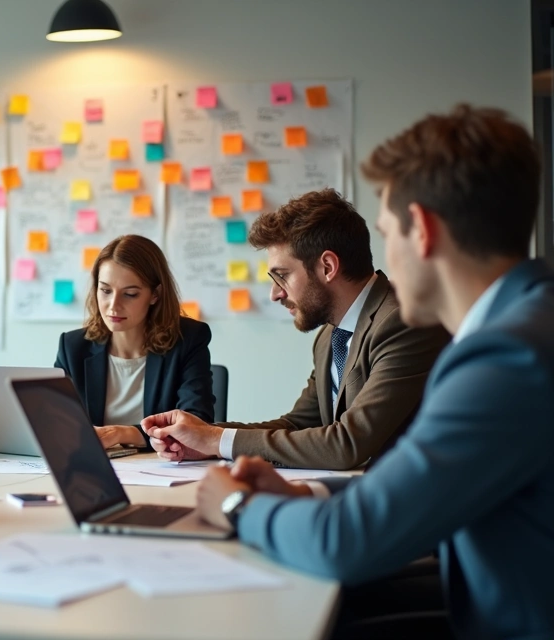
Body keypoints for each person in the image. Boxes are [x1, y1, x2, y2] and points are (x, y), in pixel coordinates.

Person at [193, 105, 554, 639]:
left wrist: (235, 505)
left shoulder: (507, 358)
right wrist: (309, 495)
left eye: (387, 232)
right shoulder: (525, 324)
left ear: (424, 232)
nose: (383, 259)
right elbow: (422, 482)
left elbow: (348, 542)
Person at [145, 189, 449, 470]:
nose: (275, 294)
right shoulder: (331, 336)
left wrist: (215, 440)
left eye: (282, 276)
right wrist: (203, 437)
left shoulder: (404, 322)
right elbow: (298, 425)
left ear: (328, 267)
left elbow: (347, 445)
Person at [54, 234, 215, 450]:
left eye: (130, 294)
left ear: (155, 295)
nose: (113, 305)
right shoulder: (73, 346)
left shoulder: (189, 339)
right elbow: (55, 421)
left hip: (160, 470)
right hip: (92, 467)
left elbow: (196, 424)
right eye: (105, 290)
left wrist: (121, 433)